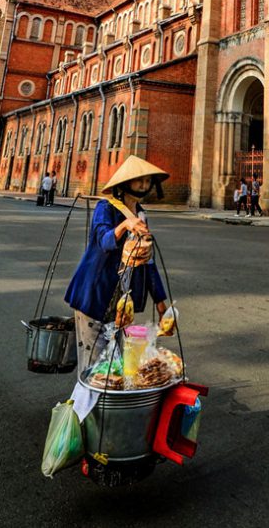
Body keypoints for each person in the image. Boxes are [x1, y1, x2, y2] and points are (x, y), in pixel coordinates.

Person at [65, 155, 169, 375]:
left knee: (112, 364)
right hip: (95, 295)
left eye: (148, 180)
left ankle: (105, 407)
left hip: (120, 302)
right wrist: (124, 225)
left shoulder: (141, 214)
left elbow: (148, 262)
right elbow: (103, 240)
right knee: (95, 368)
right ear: (124, 183)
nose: (144, 185)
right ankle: (84, 408)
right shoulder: (105, 208)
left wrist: (162, 305)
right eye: (139, 180)